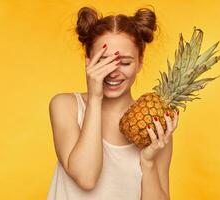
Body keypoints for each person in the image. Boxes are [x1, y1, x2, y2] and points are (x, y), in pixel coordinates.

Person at [47, 6, 179, 200]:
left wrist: (148, 162)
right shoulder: (66, 106)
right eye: (104, 62)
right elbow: (86, 178)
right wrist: (94, 99)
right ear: (89, 61)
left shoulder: (155, 126)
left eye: (125, 63)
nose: (113, 72)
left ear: (140, 62)